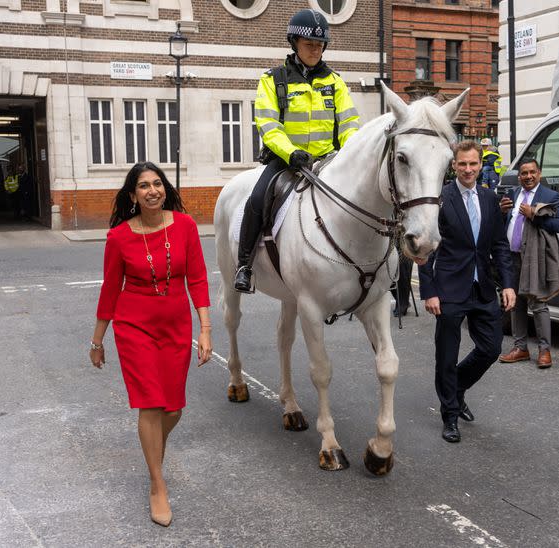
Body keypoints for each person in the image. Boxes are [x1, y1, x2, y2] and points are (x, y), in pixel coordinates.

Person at [89, 162, 212, 527]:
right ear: (133, 195)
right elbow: (110, 290)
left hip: (176, 326)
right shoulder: (119, 237)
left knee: (172, 410)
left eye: (157, 183)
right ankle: (157, 484)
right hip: (134, 326)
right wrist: (97, 340)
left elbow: (199, 279)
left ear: (165, 188)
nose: (152, 190)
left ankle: (151, 451)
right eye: (143, 185)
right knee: (150, 404)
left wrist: (205, 329)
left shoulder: (186, 226)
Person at [234, 8, 360, 293]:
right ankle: (245, 265)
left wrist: (349, 150)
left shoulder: (335, 82)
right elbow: (267, 123)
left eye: (320, 45)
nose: (315, 50)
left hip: (328, 160)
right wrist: (290, 152)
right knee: (257, 198)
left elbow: (349, 123)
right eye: (309, 44)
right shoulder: (273, 80)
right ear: (294, 43)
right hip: (286, 161)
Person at [417, 141, 516, 443]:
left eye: (473, 164)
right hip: (449, 288)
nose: (469, 169)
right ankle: (449, 415)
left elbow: (499, 245)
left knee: (491, 348)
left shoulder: (489, 198)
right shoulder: (440, 199)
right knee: (446, 355)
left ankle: (456, 388)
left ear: (479, 164)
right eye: (463, 164)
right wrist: (429, 291)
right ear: (454, 166)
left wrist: (509, 283)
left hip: (482, 287)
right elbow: (426, 247)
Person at [498, 158, 559, 368]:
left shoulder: (550, 196)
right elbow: (504, 223)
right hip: (512, 257)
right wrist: (501, 212)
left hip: (534, 258)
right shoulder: (512, 194)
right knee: (515, 304)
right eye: (524, 173)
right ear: (519, 176)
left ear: (539, 173)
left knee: (538, 304)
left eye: (532, 172)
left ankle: (544, 351)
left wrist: (534, 215)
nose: (528, 176)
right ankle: (520, 348)